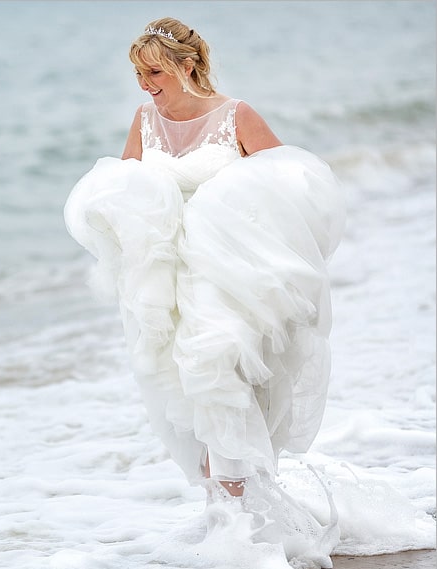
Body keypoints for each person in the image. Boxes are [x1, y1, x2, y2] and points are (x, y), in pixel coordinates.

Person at [64, 17, 346, 502]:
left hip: (225, 268)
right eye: (138, 74)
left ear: (186, 65)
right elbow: (126, 184)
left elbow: (288, 182)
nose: (145, 85)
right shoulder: (144, 120)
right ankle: (228, 515)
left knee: (217, 370)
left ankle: (237, 521)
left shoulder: (235, 115)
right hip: (164, 271)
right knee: (180, 384)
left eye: (154, 73)